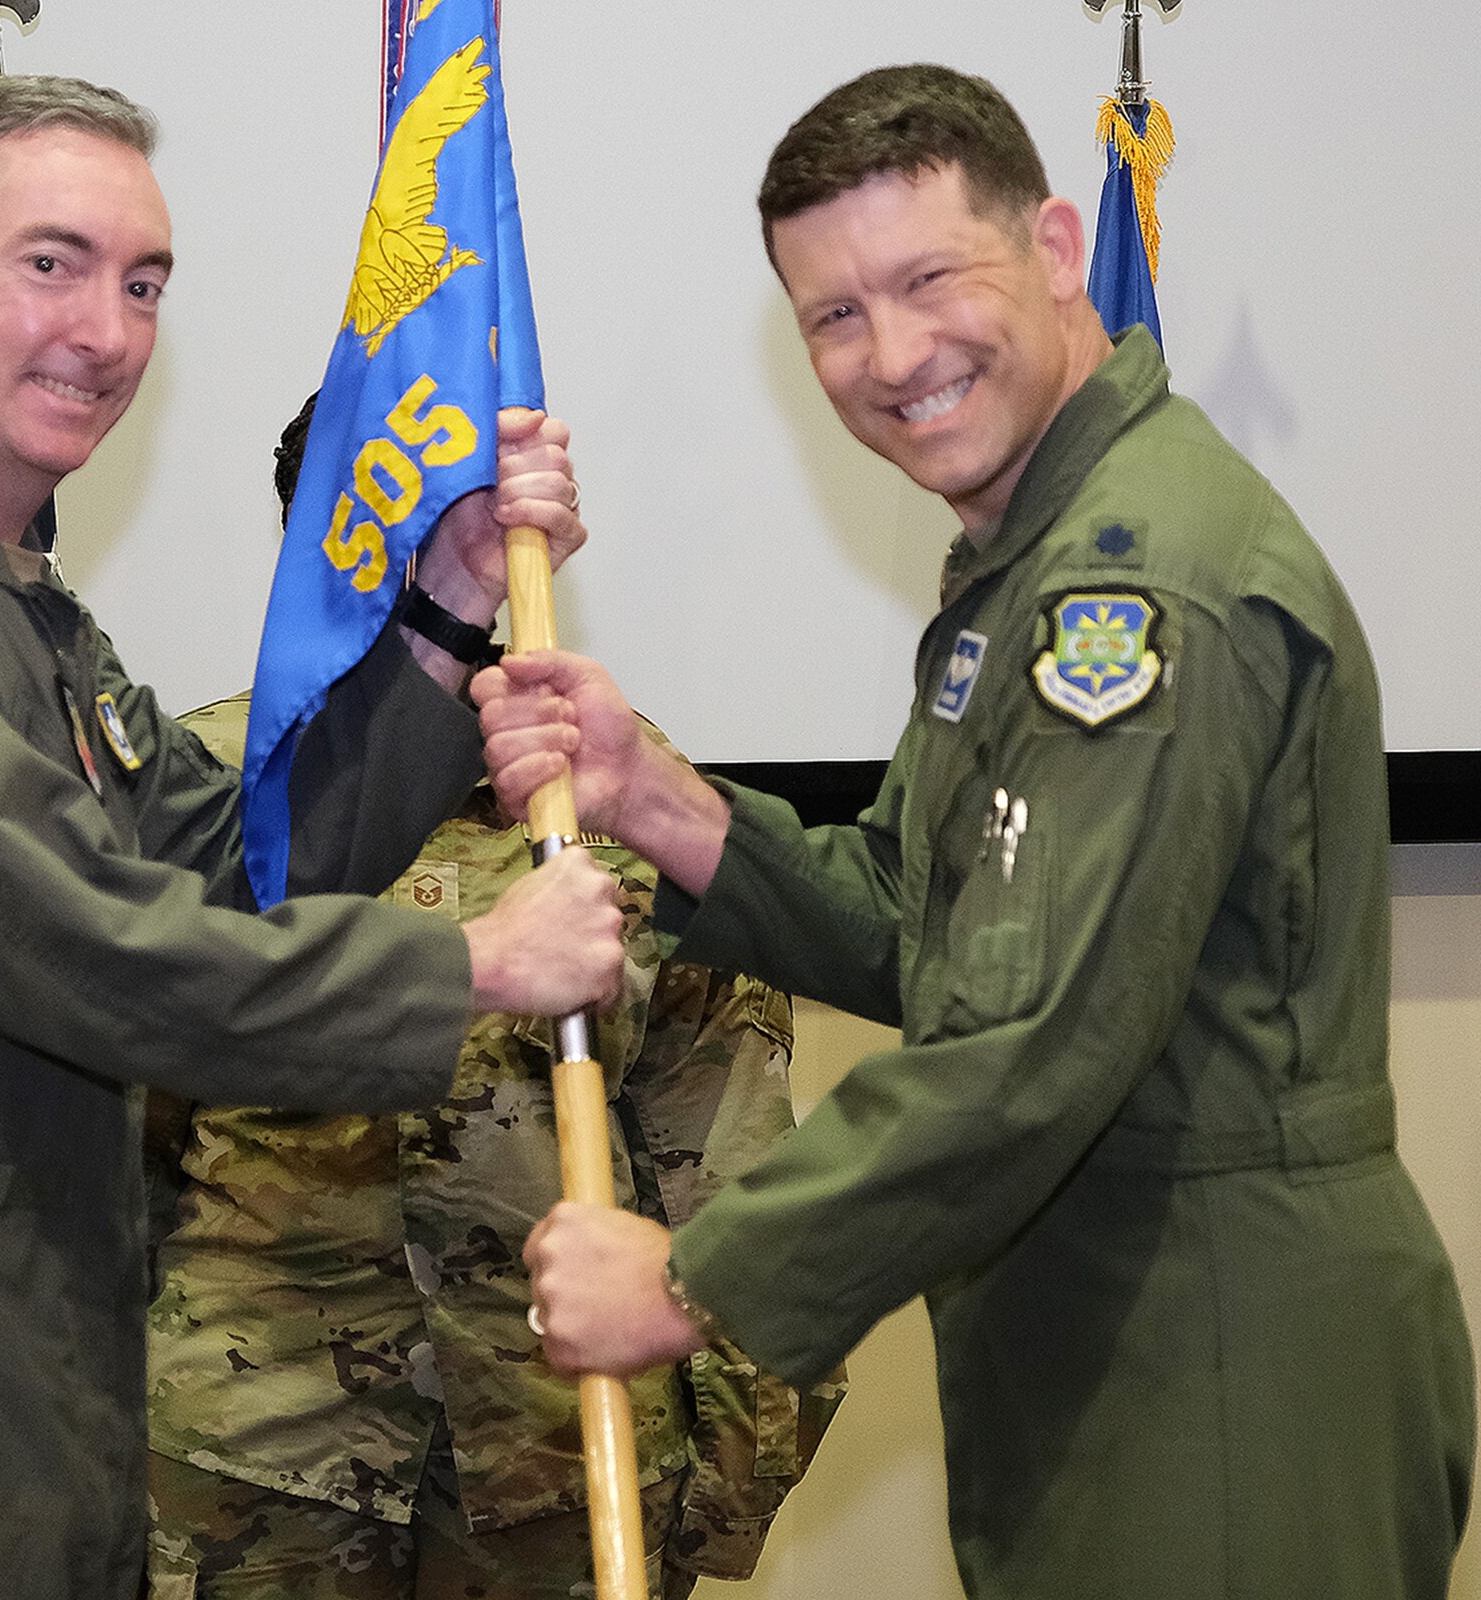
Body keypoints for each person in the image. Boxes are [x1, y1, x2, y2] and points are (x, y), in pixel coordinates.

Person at [477, 63, 1475, 1600]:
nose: (893, 354)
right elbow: (932, 922)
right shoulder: (1034, 561)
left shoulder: (1131, 591)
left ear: (1061, 251)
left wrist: (690, 1281)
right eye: (833, 315)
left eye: (930, 278)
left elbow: (1025, 1044)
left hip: (1216, 1351)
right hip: (1102, 1334)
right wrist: (657, 802)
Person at [0, 73, 618, 1600]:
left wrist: (447, 614)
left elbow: (239, 867)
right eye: (52, 263)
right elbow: (75, 940)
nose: (106, 330)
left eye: (142, 283)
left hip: (33, 1341)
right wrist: (470, 965)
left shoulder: (14, 606)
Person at [139, 401, 842, 1600]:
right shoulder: (201, 800)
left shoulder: (620, 796)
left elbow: (725, 1168)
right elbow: (111, 1162)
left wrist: (720, 1496)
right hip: (249, 1474)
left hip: (559, 1465)